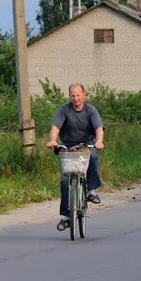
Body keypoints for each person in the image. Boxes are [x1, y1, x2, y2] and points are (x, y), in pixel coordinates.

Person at [45, 83, 105, 231]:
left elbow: (98, 127)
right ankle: (66, 217)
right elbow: (55, 127)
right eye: (73, 95)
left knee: (93, 157)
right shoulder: (64, 110)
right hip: (68, 146)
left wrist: (99, 142)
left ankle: (91, 191)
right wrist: (53, 140)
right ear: (69, 96)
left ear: (83, 95)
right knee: (65, 180)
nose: (76, 98)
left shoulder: (91, 110)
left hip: (86, 145)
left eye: (78, 95)